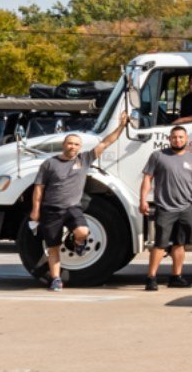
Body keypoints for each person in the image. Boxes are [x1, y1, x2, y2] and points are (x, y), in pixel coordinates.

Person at [30, 113, 129, 291]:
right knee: (53, 247)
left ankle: (79, 243)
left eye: (76, 144)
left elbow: (106, 142)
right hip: (51, 210)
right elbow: (39, 188)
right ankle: (56, 279)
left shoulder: (84, 159)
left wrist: (121, 126)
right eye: (70, 143)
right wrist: (36, 210)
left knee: (83, 231)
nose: (73, 146)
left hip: (72, 208)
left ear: (80, 147)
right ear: (63, 145)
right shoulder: (49, 164)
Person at [139, 125, 192, 292]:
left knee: (180, 243)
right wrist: (143, 200)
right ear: (169, 139)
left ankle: (176, 277)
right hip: (165, 207)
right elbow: (147, 179)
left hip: (186, 207)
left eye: (180, 137)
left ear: (186, 139)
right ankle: (151, 278)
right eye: (174, 137)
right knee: (160, 244)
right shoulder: (158, 156)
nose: (177, 140)